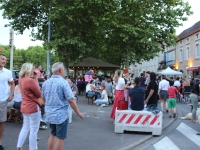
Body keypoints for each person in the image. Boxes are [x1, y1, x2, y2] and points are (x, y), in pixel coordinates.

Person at [42, 62, 84, 150]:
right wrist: (78, 112)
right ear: (61, 70)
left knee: (53, 134)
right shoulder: (63, 83)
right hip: (61, 115)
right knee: (60, 137)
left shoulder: (46, 83)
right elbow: (71, 99)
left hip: (50, 113)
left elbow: (43, 99)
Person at [16, 63, 43, 150]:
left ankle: (19, 146)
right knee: (33, 131)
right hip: (33, 107)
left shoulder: (21, 80)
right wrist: (36, 78)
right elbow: (39, 93)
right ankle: (33, 148)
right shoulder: (30, 81)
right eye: (32, 69)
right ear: (28, 69)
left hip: (25, 106)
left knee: (25, 127)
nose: (33, 71)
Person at [0, 54, 15, 150]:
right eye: (2, 59)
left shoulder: (8, 72)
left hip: (2, 100)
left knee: (1, 122)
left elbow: (12, 84)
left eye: (5, 59)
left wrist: (11, 95)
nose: (4, 61)